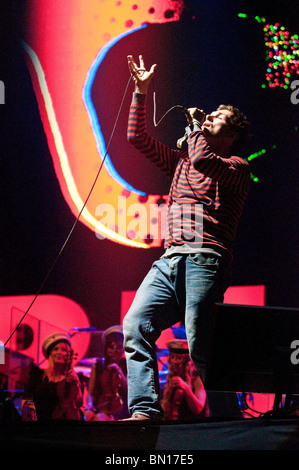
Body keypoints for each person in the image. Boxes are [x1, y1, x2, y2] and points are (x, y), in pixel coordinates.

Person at [122, 55, 251, 421]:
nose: (207, 117)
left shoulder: (237, 167)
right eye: (206, 115)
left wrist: (194, 126)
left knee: (200, 345)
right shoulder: (183, 160)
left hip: (206, 259)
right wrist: (141, 91)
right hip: (170, 259)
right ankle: (145, 410)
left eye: (216, 118)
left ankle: (229, 420)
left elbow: (205, 162)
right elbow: (137, 138)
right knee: (135, 326)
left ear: (232, 136)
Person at [26, 332, 83, 421]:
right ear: (50, 353)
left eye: (64, 350)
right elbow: (27, 399)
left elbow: (79, 404)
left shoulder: (72, 378)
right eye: (55, 349)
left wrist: (77, 384)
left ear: (68, 354)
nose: (59, 352)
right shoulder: (37, 375)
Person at [86, 325, 129, 421]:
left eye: (119, 347)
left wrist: (119, 371)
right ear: (106, 348)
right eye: (111, 347)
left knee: (100, 418)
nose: (115, 350)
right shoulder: (98, 366)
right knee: (89, 416)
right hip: (101, 405)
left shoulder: (127, 366)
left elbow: (128, 391)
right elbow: (90, 392)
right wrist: (89, 405)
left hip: (120, 408)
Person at [162, 340, 208, 420]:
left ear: (187, 361)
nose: (174, 361)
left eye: (179, 358)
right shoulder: (172, 376)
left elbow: (198, 409)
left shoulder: (197, 378)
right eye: (172, 357)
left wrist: (186, 388)